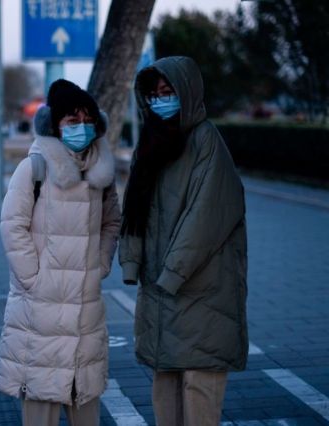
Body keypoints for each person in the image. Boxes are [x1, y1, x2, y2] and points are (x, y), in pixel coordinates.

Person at [118, 56, 248, 426]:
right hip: (161, 289)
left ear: (187, 93)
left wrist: (171, 273)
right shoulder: (152, 141)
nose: (161, 100)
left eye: (168, 92)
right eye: (155, 94)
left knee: (198, 387)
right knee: (166, 383)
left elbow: (205, 219)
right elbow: (135, 206)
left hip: (201, 290)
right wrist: (132, 261)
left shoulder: (206, 140)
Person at [0, 79, 121, 426]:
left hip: (86, 312)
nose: (80, 127)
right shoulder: (33, 168)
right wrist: (33, 277)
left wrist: (102, 263)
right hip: (42, 312)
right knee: (41, 407)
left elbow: (112, 223)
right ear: (56, 125)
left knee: (86, 405)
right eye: (71, 120)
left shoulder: (102, 174)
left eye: (86, 119)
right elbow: (11, 225)